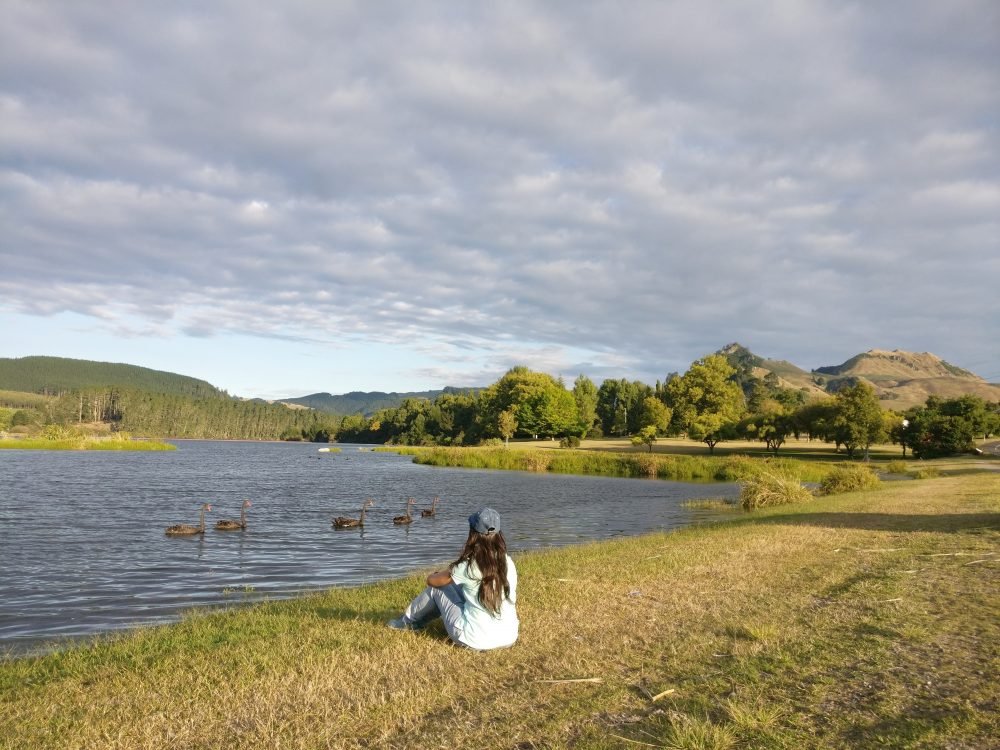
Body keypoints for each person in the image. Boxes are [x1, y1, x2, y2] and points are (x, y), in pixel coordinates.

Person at [387, 507, 519, 650]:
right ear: (499, 534)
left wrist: (437, 574)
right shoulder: (508, 562)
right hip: (509, 637)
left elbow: (431, 581)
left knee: (437, 589)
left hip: (475, 640)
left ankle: (408, 622)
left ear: (473, 533)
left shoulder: (467, 566)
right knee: (458, 586)